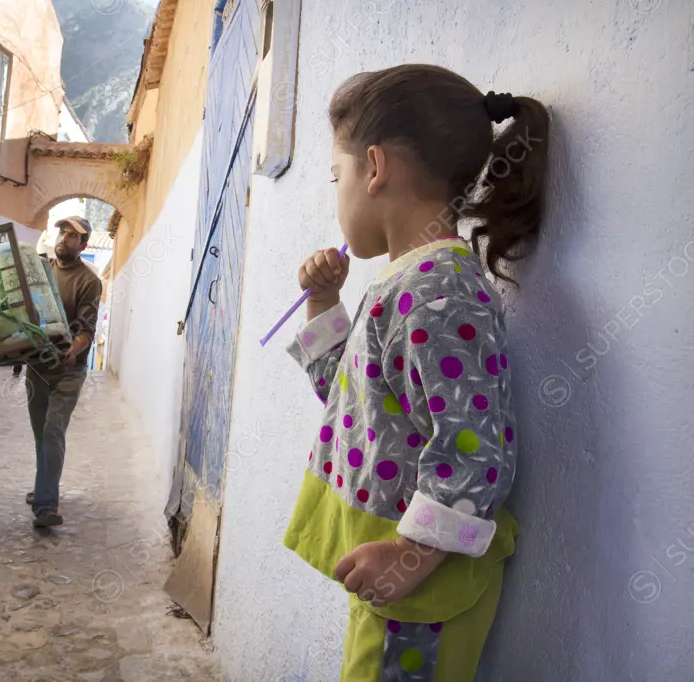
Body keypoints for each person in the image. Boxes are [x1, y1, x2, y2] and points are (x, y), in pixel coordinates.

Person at [282, 64, 549, 681]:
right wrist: (324, 303)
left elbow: (477, 444)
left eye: (336, 175)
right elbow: (351, 399)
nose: (337, 192)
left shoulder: (437, 292)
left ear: (374, 168)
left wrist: (412, 552)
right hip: (396, 576)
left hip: (418, 587)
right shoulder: (410, 282)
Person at [25, 216, 102, 527]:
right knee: (40, 433)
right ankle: (43, 485)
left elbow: (86, 329)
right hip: (37, 366)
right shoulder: (40, 270)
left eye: (73, 236)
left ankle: (45, 506)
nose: (65, 238)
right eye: (62, 232)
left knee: (52, 431)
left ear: (83, 246)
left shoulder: (89, 281)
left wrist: (75, 349)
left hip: (69, 369)